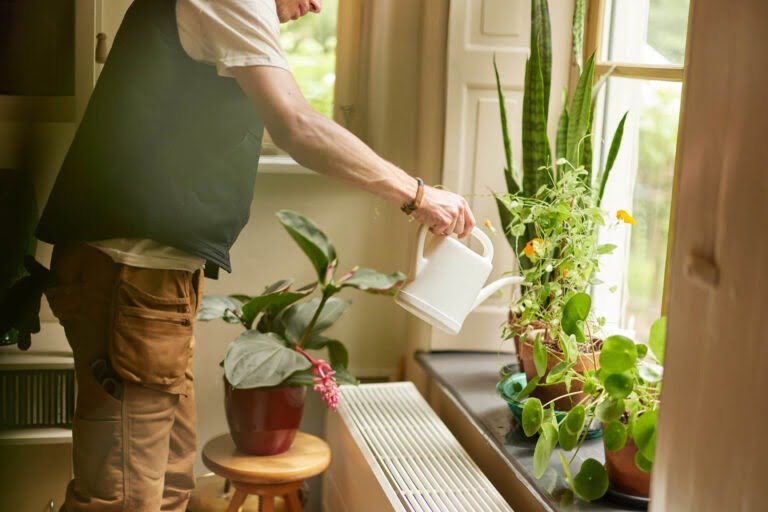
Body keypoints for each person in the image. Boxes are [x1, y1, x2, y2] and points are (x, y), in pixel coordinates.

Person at [34, 0, 476, 510]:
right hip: (132, 276)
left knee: (172, 487)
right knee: (122, 500)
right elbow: (298, 126)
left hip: (149, 279)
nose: (316, 6)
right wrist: (417, 195)